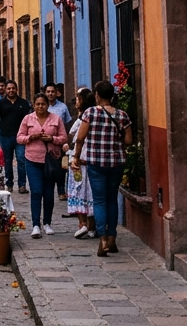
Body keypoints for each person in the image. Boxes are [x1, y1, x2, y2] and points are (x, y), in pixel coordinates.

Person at [70, 80, 132, 257]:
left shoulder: (90, 113)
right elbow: (128, 140)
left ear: (97, 95)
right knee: (112, 199)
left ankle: (103, 238)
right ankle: (112, 237)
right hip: (116, 163)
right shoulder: (122, 115)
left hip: (96, 163)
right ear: (111, 96)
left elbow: (80, 138)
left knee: (99, 200)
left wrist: (76, 157)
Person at [18, 94, 69, 238]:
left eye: (43, 104)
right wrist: (31, 137)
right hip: (32, 159)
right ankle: (35, 224)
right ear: (34, 105)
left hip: (50, 161)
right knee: (36, 191)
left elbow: (64, 138)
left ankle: (47, 222)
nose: (40, 106)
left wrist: (52, 139)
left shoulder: (56, 119)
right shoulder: (28, 119)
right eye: (38, 104)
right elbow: (19, 137)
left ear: (47, 105)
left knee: (48, 193)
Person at [66, 88, 96, 238]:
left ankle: (82, 224)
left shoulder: (83, 119)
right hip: (90, 160)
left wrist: (74, 155)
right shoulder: (93, 116)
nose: (75, 101)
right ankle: (91, 227)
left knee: (79, 190)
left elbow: (75, 137)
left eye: (78, 98)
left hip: (79, 160)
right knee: (88, 192)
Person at [0, 81, 33, 193]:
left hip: (20, 137)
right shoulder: (0, 103)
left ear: (17, 89)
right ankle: (9, 183)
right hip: (5, 136)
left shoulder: (24, 103)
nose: (11, 90)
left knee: (21, 160)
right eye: (9, 88)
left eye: (13, 88)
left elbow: (29, 120)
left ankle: (22, 185)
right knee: (7, 160)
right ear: (6, 90)